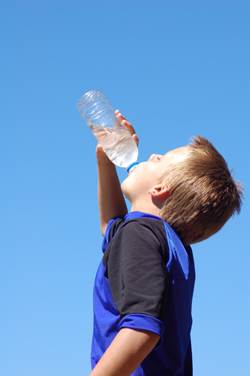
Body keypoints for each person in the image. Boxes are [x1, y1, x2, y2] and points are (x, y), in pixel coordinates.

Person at [89, 111, 243, 376]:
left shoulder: (139, 234)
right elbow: (111, 228)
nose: (150, 155)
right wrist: (106, 160)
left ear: (160, 189)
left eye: (158, 159)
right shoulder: (172, 245)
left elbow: (143, 328)